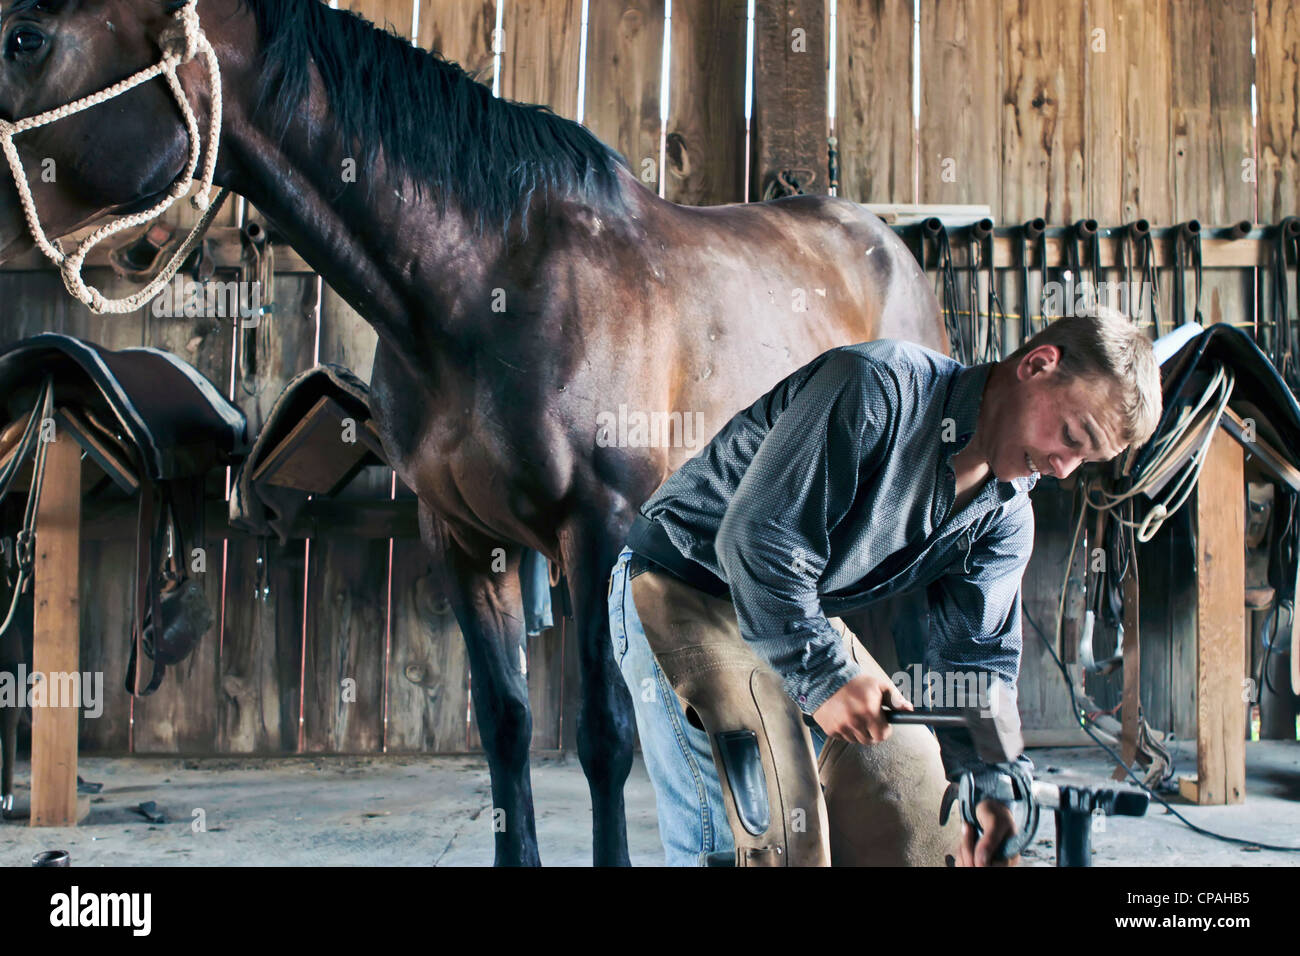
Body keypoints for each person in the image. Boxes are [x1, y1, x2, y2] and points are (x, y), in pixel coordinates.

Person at [608, 306, 1162, 866]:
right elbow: (757, 540)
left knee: (926, 823)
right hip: (682, 584)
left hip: (798, 614)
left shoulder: (1007, 515)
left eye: (1083, 460)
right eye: (1071, 435)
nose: (1063, 469)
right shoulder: (878, 386)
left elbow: (977, 663)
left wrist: (990, 788)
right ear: (1039, 364)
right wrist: (824, 678)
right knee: (768, 845)